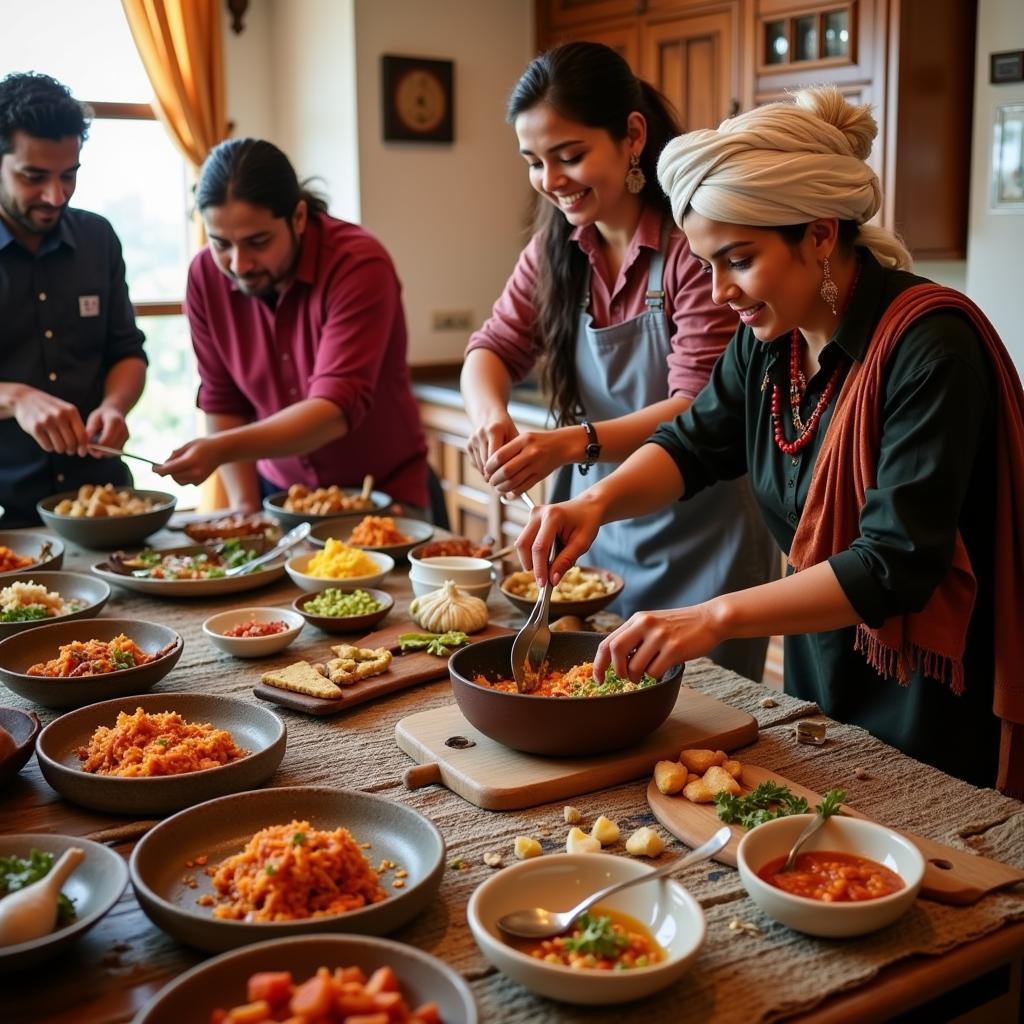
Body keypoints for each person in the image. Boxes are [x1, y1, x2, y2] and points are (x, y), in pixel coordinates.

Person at [517, 85, 1024, 793]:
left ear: (819, 234)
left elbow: (893, 563)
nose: (720, 290)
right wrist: (594, 504)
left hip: (928, 691)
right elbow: (694, 444)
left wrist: (714, 616)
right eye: (706, 264)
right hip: (827, 662)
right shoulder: (772, 341)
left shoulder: (931, 350)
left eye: (738, 259)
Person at [461, 42, 778, 681]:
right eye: (534, 162)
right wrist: (491, 416)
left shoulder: (697, 245)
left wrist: (570, 443)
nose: (551, 181)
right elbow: (490, 348)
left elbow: (697, 407)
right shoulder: (555, 250)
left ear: (632, 135)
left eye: (569, 156)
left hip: (703, 535)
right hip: (594, 533)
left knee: (701, 718)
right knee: (586, 695)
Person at [156, 138, 429, 515]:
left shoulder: (358, 264)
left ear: (298, 217)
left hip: (382, 499)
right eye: (221, 244)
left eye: (258, 242)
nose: (239, 264)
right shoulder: (205, 276)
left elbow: (333, 409)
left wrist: (219, 449)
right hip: (282, 498)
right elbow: (223, 399)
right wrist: (246, 511)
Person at [0, 72, 147, 527]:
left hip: (107, 504)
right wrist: (15, 398)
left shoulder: (99, 237)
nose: (55, 195)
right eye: (33, 177)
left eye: (69, 176)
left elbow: (127, 353)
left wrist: (114, 406)